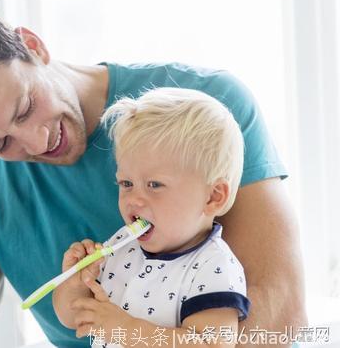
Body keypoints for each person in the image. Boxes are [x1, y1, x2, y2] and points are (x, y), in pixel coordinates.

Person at [0, 2, 306, 348]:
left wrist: (132, 334)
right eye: (1, 145)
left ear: (34, 47)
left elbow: (283, 317)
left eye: (25, 107)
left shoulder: (205, 112)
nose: (37, 143)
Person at [53, 88, 249, 347]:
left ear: (213, 197)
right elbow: (74, 318)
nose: (133, 199)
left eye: (154, 185)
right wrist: (75, 282)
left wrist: (126, 328)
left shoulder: (213, 265)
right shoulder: (122, 244)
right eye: (126, 183)